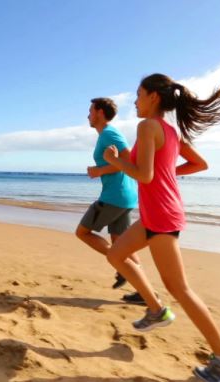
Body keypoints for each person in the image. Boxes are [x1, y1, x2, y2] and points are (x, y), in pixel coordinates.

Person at [103, 74, 220, 381]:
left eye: (139, 94)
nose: (135, 100)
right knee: (116, 254)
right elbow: (199, 164)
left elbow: (142, 175)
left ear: (154, 96)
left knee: (179, 289)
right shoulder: (170, 131)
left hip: (162, 217)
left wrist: (114, 161)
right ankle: (156, 311)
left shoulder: (147, 126)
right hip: (157, 214)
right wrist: (167, 173)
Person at [75, 97, 148, 303]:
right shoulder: (105, 135)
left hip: (115, 196)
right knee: (120, 242)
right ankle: (143, 291)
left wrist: (98, 171)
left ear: (99, 112)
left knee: (82, 232)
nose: (88, 115)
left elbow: (128, 159)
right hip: (125, 196)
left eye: (90, 111)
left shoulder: (109, 132)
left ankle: (122, 266)